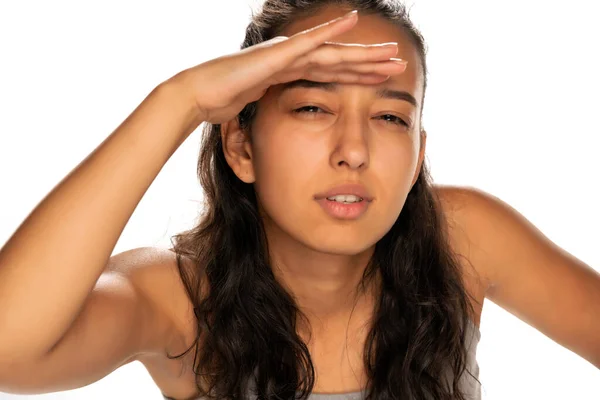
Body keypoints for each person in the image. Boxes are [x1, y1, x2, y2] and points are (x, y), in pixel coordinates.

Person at [0, 1, 598, 399]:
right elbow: (9, 351)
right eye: (313, 107)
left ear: (418, 156)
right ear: (241, 145)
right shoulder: (178, 298)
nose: (354, 151)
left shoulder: (465, 235)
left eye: (391, 116)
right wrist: (178, 100)